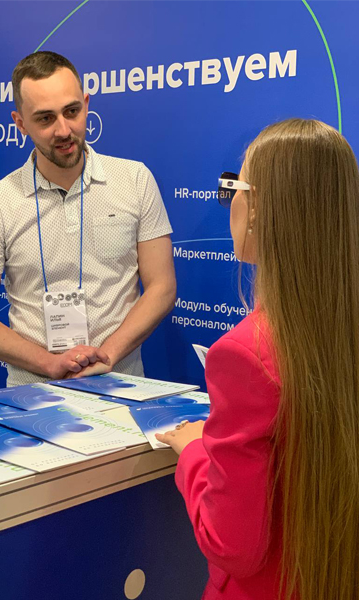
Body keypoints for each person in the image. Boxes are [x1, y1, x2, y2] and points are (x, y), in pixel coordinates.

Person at [157, 119, 359, 600]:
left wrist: (195, 452)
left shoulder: (246, 354)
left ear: (260, 210)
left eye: (235, 186)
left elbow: (232, 546)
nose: (229, 200)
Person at [0, 52, 176, 387]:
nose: (63, 130)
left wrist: (106, 356)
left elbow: (162, 287)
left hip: (121, 386)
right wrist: (50, 363)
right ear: (20, 123)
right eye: (45, 119)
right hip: (32, 394)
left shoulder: (134, 180)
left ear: (85, 105)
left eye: (72, 112)